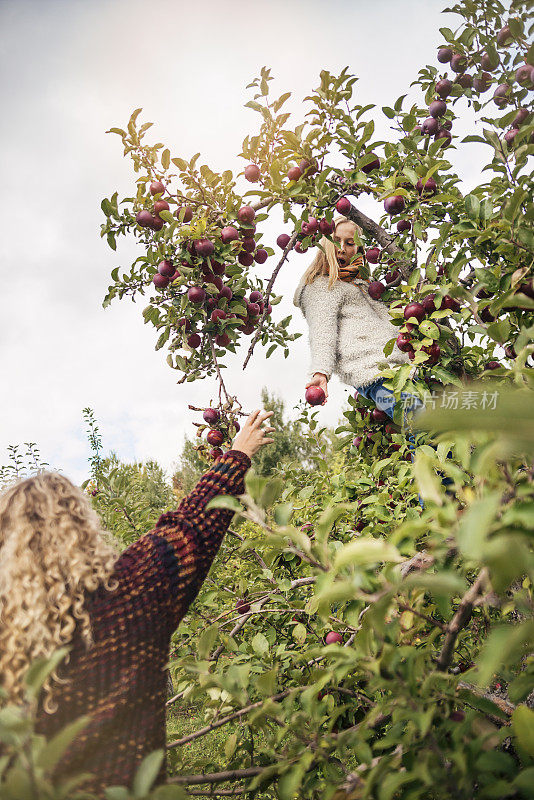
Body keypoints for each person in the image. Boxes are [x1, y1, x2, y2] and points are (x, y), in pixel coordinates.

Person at [0, 409, 275, 798]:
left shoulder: (8, 634)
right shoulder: (131, 589)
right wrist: (235, 457)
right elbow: (192, 525)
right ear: (83, 525)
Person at [293, 216, 453, 505]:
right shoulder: (321, 286)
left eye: (350, 242)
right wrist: (321, 372)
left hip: (404, 369)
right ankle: (435, 511)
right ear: (324, 243)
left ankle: (455, 501)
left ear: (360, 248)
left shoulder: (363, 283)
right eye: (336, 241)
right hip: (373, 374)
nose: (342, 248)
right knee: (423, 424)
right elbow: (322, 331)